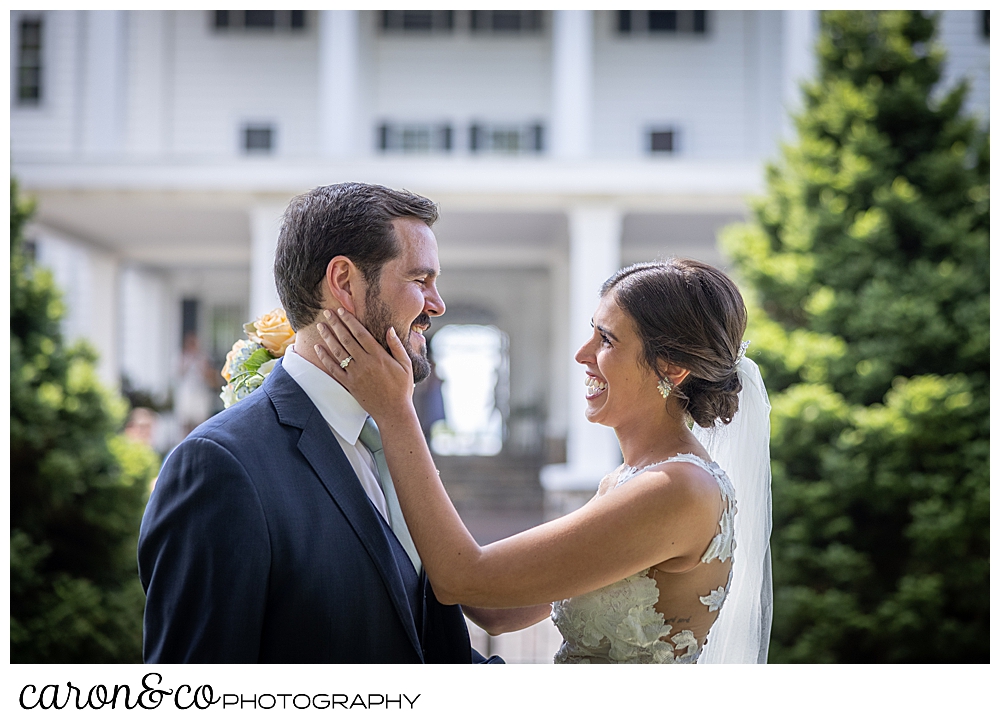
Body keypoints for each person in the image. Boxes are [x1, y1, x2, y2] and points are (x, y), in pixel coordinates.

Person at [314, 258, 773, 663]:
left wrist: (396, 413)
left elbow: (466, 580)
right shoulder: (626, 481)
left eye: (607, 340)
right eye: (591, 331)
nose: (582, 354)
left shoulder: (677, 490)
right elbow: (499, 610)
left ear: (671, 368)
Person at [138, 183, 500, 663]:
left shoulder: (391, 438)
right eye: (420, 279)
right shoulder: (220, 467)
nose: (437, 304)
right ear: (345, 282)